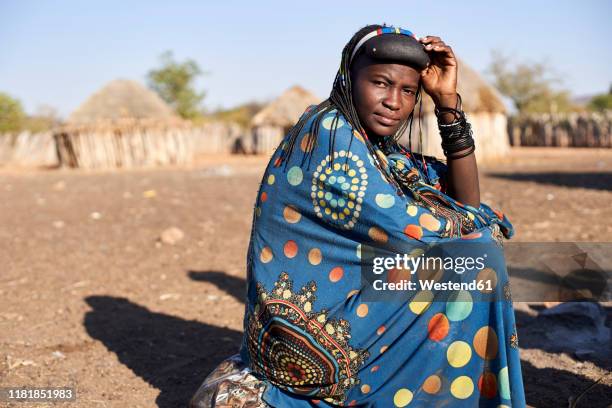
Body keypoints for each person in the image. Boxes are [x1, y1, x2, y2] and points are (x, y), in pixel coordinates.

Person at [191, 24, 526, 407]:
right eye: (381, 83)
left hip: (345, 308)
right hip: (306, 340)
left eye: (409, 91)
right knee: (474, 259)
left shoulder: (379, 148)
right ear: (350, 78)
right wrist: (480, 223)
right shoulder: (330, 135)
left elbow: (462, 201)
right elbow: (415, 228)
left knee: (475, 255)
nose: (394, 102)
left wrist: (447, 103)